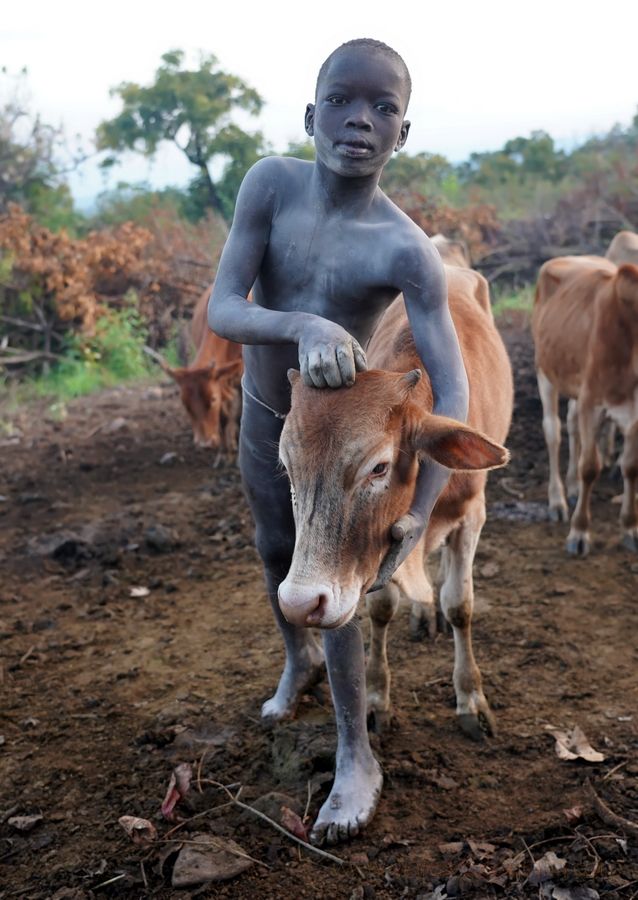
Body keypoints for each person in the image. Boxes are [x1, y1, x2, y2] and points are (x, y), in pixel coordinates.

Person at [208, 38, 469, 844]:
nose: (360, 119)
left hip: (339, 441)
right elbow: (223, 307)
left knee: (336, 579)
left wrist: (418, 514)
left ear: (403, 133)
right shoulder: (271, 185)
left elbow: (452, 393)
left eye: (382, 107)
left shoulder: (405, 249)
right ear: (311, 112)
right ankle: (297, 662)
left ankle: (358, 753)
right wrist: (304, 324)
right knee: (271, 548)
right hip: (265, 416)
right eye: (344, 100)